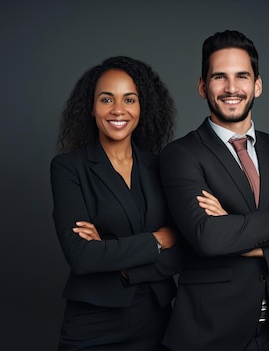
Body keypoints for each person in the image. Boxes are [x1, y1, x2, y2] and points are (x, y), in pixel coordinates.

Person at [160, 30, 269, 350]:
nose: (231, 88)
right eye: (219, 77)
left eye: (242, 76)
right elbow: (208, 238)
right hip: (210, 333)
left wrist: (242, 237)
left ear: (257, 85)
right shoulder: (181, 154)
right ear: (202, 86)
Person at [50, 56, 183, 350]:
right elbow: (82, 257)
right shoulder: (68, 168)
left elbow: (184, 249)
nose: (118, 110)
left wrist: (117, 261)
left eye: (129, 99)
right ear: (91, 107)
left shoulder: (161, 166)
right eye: (106, 99)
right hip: (94, 321)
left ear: (142, 107)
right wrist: (158, 240)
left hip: (157, 318)